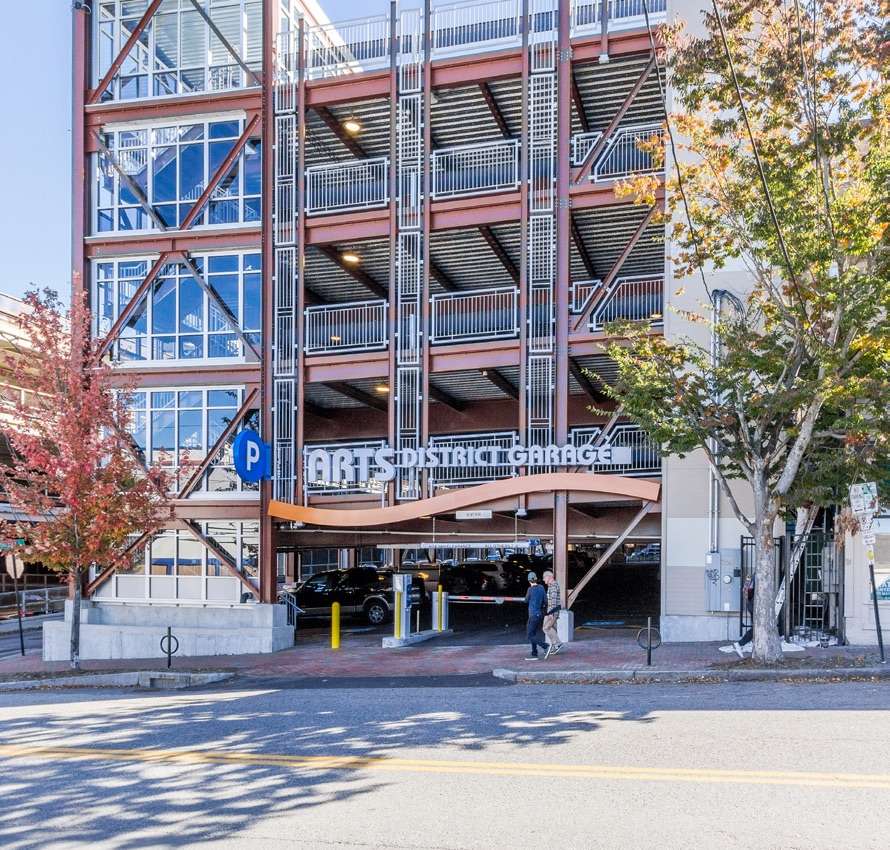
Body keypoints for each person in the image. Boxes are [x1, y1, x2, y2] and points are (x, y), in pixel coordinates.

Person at [524, 572, 548, 660]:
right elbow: (545, 601)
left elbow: (526, 600)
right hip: (539, 614)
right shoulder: (541, 588)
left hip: (532, 615)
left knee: (529, 635)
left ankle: (545, 646)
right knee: (533, 633)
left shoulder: (530, 589)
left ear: (529, 581)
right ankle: (534, 652)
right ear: (536, 579)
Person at [542, 570, 563, 659]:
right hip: (549, 612)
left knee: (546, 628)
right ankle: (555, 644)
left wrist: (551, 613)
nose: (543, 580)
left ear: (549, 577)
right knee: (549, 628)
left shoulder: (554, 586)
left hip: (552, 612)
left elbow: (554, 601)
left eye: (544, 578)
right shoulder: (551, 586)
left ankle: (557, 644)